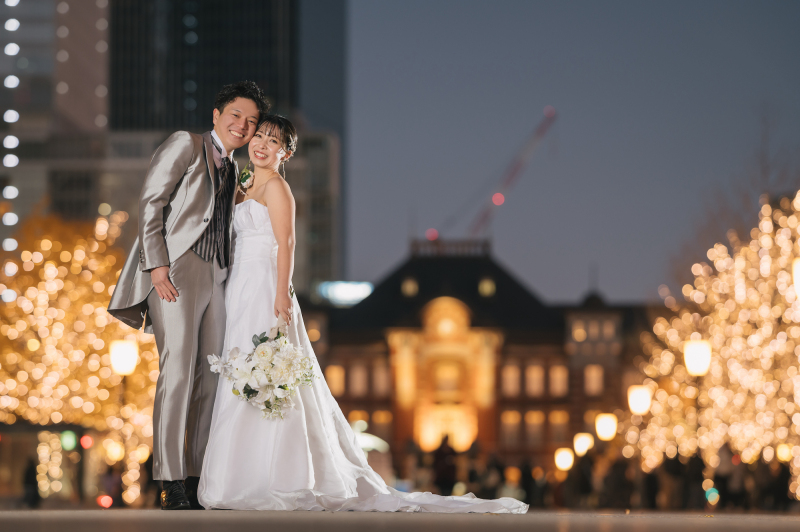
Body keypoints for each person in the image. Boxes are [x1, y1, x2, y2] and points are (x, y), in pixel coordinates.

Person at [197, 116, 527, 514]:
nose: (263, 144)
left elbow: (287, 243)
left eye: (274, 140)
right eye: (260, 136)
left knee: (270, 379)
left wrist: (282, 293)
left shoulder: (278, 188)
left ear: (286, 152)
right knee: (241, 375)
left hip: (266, 288)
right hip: (239, 287)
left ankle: (274, 477)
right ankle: (242, 474)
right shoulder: (243, 183)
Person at [108, 81, 269, 510]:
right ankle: (169, 478)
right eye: (236, 115)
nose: (243, 125)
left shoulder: (235, 167)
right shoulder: (185, 143)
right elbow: (151, 203)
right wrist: (157, 265)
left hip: (218, 275)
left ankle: (198, 477)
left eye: (251, 121)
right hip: (176, 271)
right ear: (217, 115)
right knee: (177, 371)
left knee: (211, 378)